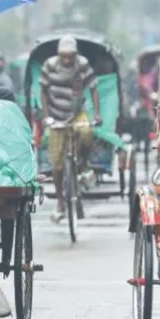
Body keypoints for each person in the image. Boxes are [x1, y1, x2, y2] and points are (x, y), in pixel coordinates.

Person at [41, 35, 102, 223]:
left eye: (71, 56)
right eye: (64, 56)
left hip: (77, 113)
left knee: (86, 133)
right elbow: (43, 90)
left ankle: (84, 165)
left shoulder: (82, 65)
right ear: (59, 55)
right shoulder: (49, 66)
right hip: (57, 115)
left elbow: (93, 89)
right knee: (57, 164)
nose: (68, 60)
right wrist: (46, 116)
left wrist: (97, 114)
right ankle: (60, 202)